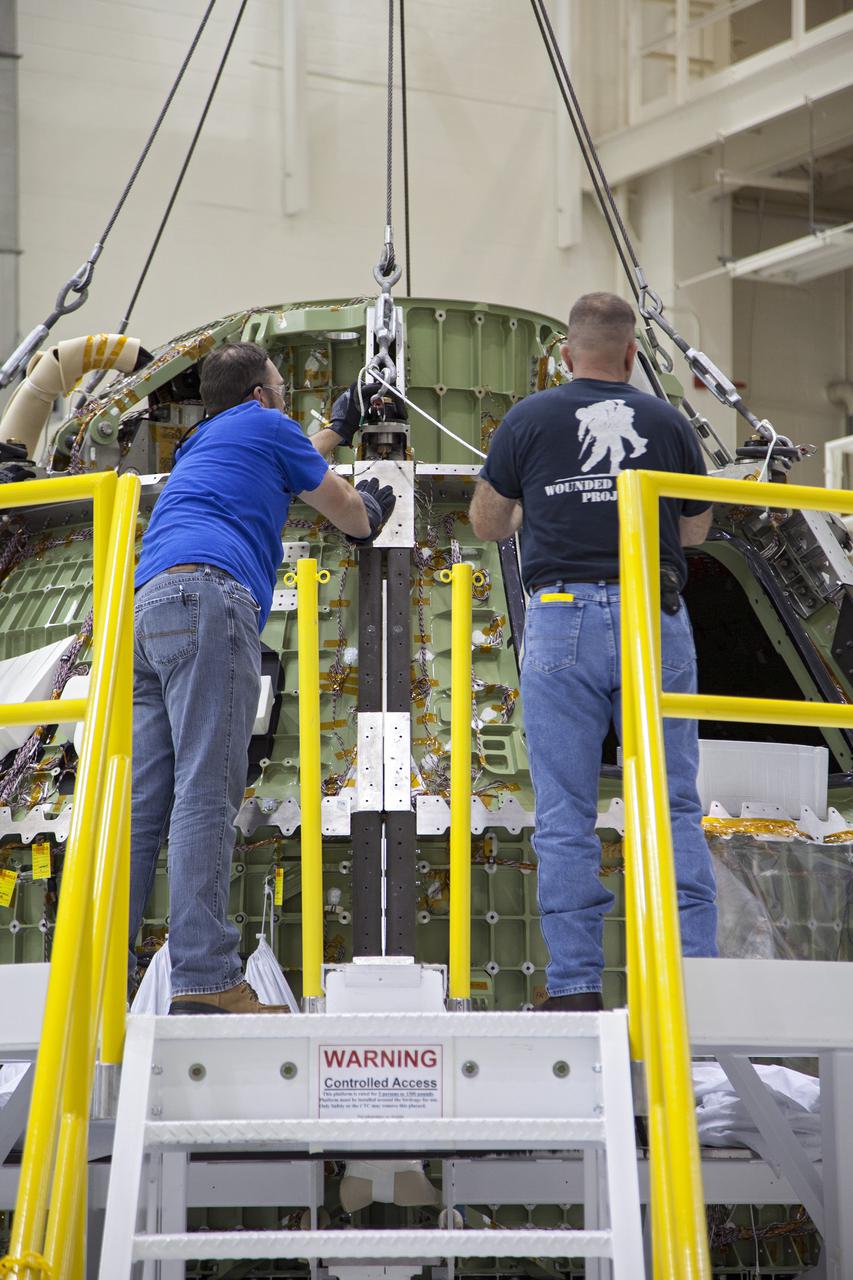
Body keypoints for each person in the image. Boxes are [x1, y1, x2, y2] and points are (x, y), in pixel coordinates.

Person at [469, 292, 717, 1011]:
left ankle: (575, 985)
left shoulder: (528, 418)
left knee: (565, 811)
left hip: (560, 619)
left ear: (566, 355)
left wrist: (542, 505)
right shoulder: (668, 422)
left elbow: (488, 523)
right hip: (652, 618)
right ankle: (692, 984)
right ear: (631, 356)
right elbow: (695, 531)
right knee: (671, 805)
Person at [129, 341, 394, 1014]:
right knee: (206, 788)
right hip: (209, 601)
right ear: (261, 395)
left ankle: (104, 966)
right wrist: (373, 505)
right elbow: (351, 519)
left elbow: (277, 461)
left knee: (144, 805)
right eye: (280, 387)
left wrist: (335, 428)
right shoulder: (268, 425)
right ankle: (205, 977)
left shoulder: (202, 444)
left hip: (148, 608)